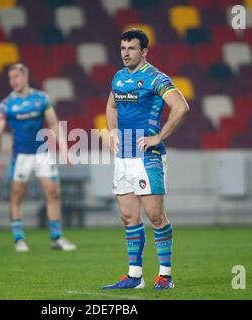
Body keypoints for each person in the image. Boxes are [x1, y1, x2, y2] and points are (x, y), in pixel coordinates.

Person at [103, 29, 190, 290]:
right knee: (129, 217)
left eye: (131, 48)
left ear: (144, 52)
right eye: (122, 48)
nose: (125, 53)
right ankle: (134, 276)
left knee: (154, 215)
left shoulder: (155, 77)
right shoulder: (118, 78)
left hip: (147, 157)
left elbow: (181, 106)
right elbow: (111, 106)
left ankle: (165, 275)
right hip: (123, 158)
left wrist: (159, 137)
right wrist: (112, 131)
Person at [0, 63, 77, 252]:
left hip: (42, 153)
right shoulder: (6, 104)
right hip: (20, 156)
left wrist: (64, 150)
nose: (13, 81)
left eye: (16, 76)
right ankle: (18, 239)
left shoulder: (41, 99)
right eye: (10, 78)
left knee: (53, 192)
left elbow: (54, 124)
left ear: (25, 77)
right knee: (17, 195)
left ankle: (56, 237)